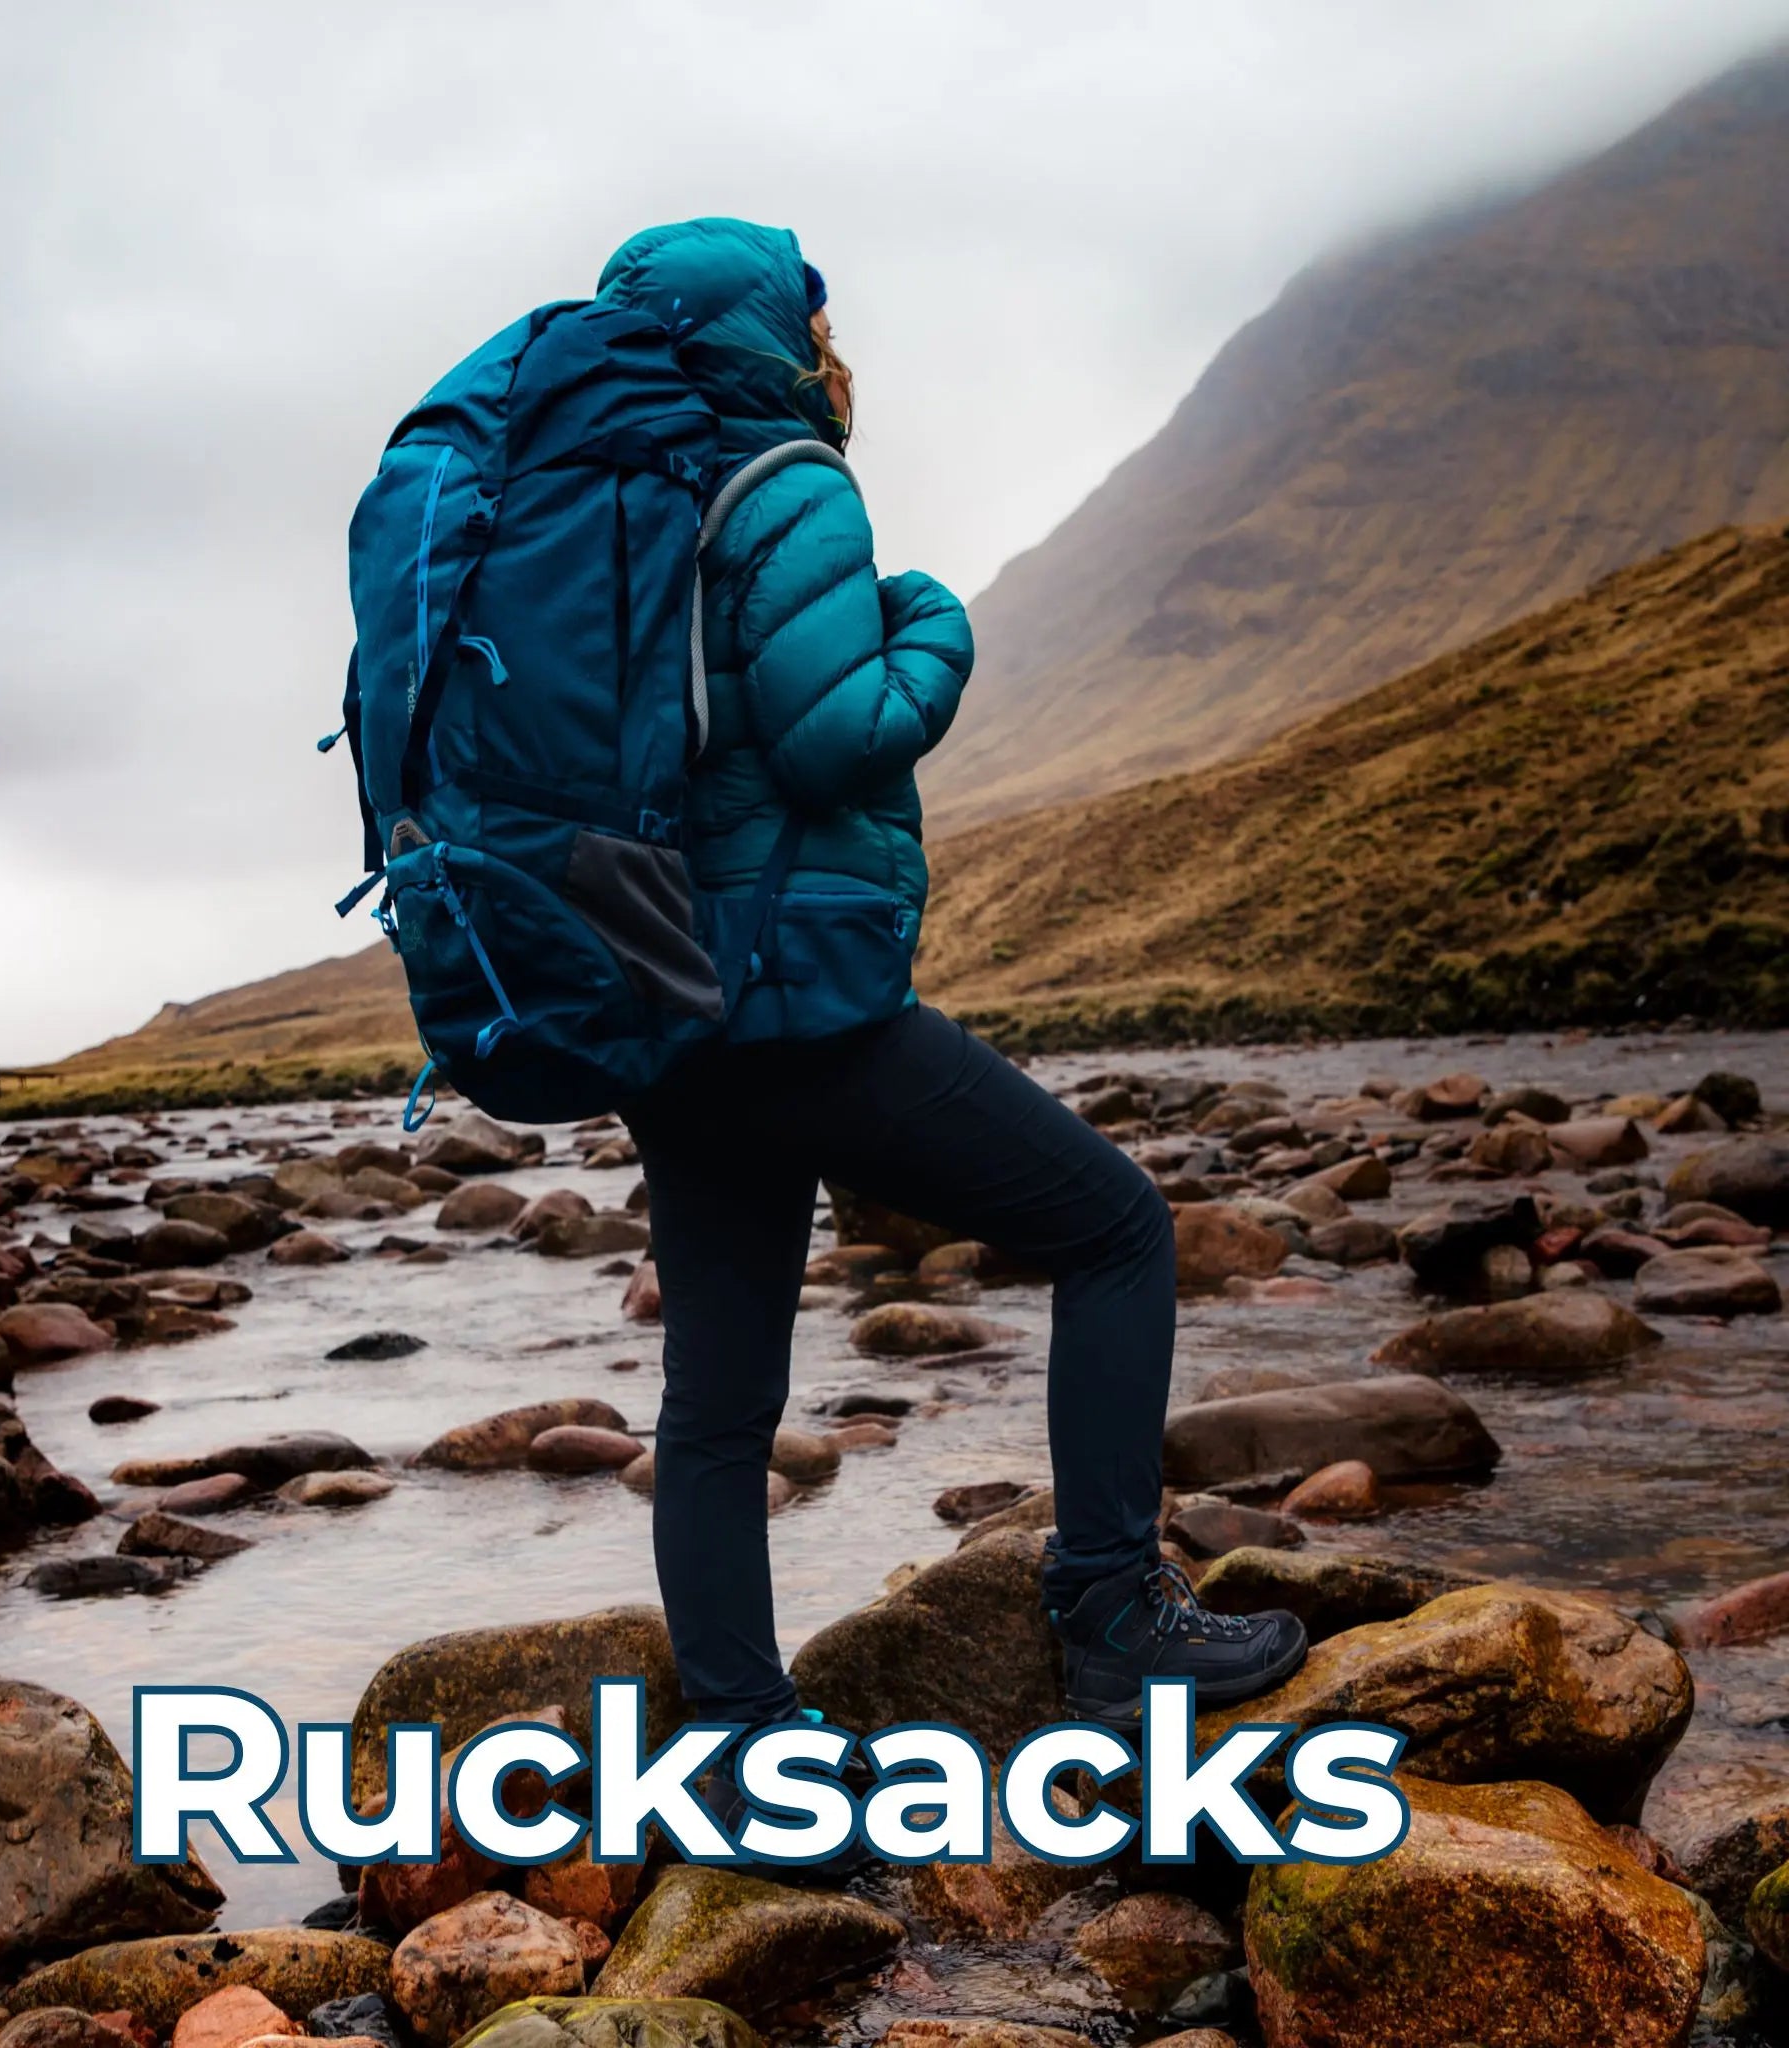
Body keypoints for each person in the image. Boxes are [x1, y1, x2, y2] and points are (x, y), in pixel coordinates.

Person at [595, 219, 1308, 1846]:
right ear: (777, 333)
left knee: (716, 1402)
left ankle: (738, 1742)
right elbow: (842, 735)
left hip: (663, 1013)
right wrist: (936, 624)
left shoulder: (599, 511)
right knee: (1119, 1229)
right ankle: (1114, 1619)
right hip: (798, 1004)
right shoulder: (778, 482)